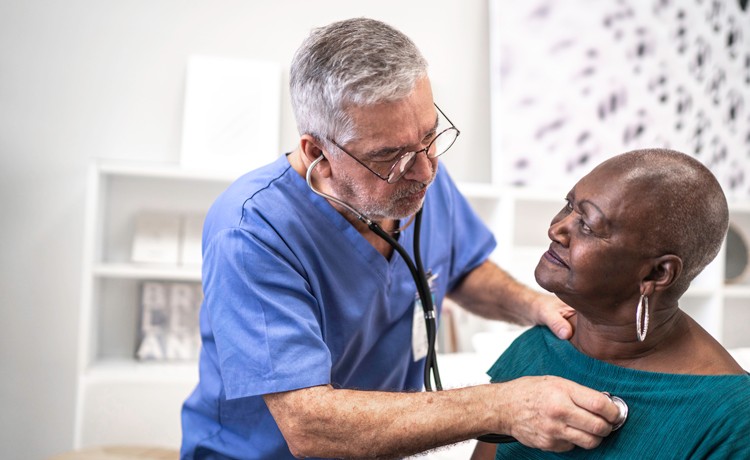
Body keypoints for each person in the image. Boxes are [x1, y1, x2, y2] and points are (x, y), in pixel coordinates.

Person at [180, 17, 622, 459]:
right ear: (318, 153)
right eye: (388, 156)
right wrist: (501, 406)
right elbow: (309, 425)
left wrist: (536, 305)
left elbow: (462, 269)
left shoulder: (418, 176)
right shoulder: (252, 230)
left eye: (430, 137)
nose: (425, 170)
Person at [472, 148, 750, 460]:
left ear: (657, 273)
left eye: (588, 225)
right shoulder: (539, 346)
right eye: (568, 206)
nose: (556, 230)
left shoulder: (731, 418)